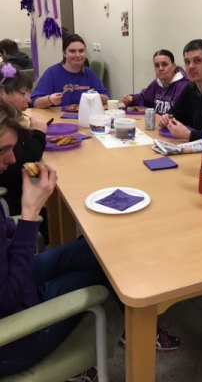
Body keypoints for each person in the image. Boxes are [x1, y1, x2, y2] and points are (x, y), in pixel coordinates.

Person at [0, 101, 179, 379]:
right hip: (15, 336)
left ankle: (137, 325)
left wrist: (15, 230)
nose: (12, 159)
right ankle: (139, 330)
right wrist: (29, 215)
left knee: (106, 250)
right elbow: (7, 297)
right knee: (110, 270)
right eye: (3, 150)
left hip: (14, 280)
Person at [0, 66, 47, 221]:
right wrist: (39, 134)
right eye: (23, 93)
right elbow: (21, 161)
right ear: (2, 93)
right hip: (13, 201)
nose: (29, 99)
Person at [30, 34, 109, 108]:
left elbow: (106, 97)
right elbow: (35, 102)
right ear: (64, 53)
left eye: (81, 51)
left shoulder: (89, 73)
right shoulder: (52, 73)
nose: (78, 55)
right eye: (72, 51)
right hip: (58, 119)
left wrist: (94, 97)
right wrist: (49, 99)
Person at [122, 49, 188, 114]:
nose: (160, 68)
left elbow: (181, 114)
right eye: (157, 65)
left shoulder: (184, 86)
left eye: (164, 64)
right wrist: (131, 99)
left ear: (174, 66)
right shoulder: (156, 83)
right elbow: (144, 98)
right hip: (156, 123)